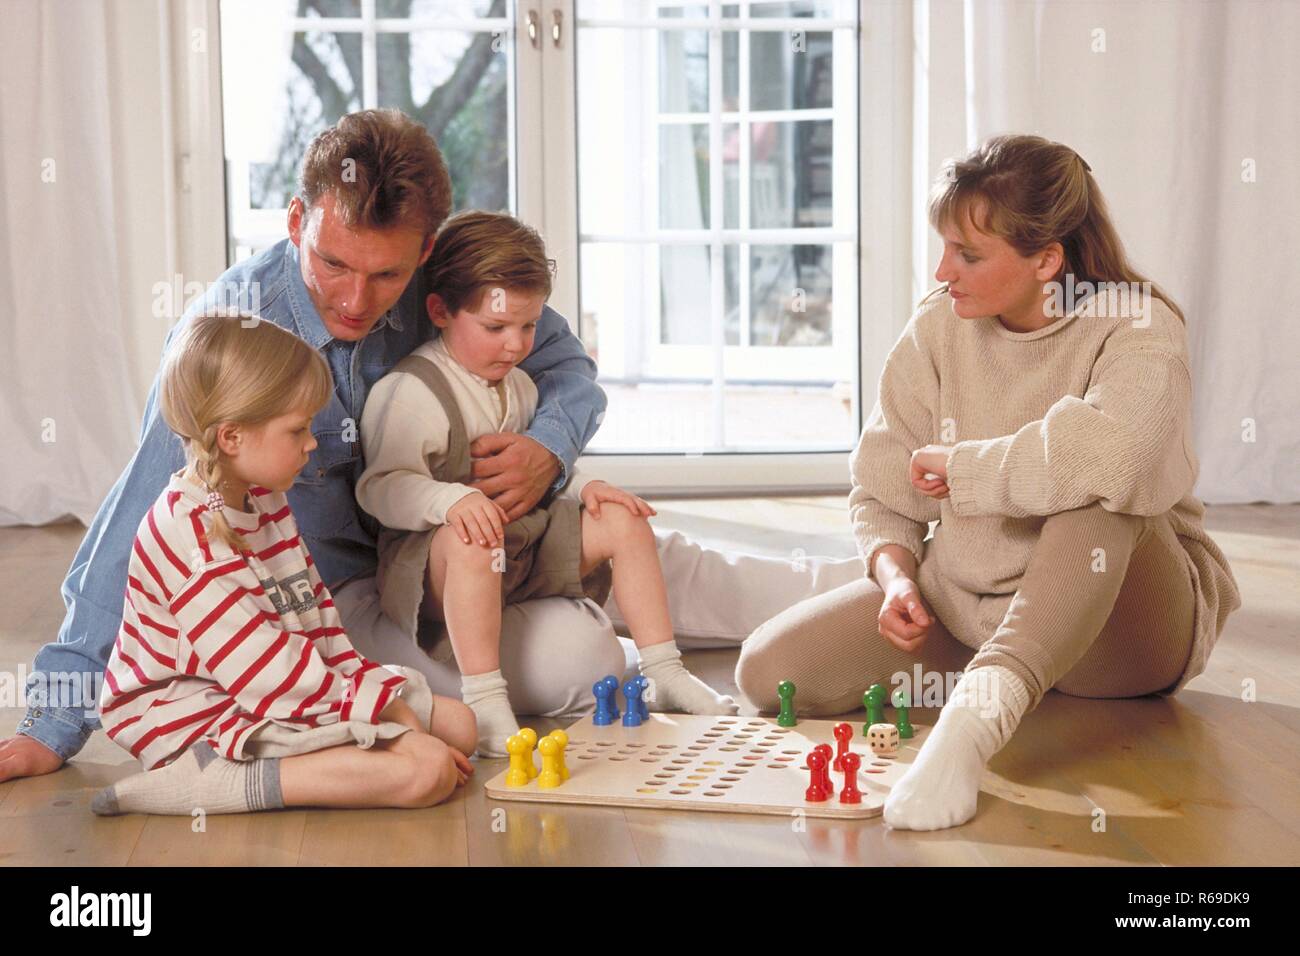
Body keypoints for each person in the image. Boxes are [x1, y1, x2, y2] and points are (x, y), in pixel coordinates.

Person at [0, 108, 619, 784]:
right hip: (337, 601)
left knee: (639, 542)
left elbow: (567, 367)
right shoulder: (232, 328)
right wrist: (55, 721)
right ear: (296, 221)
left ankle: (729, 620)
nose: (356, 300)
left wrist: (550, 449)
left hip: (449, 550)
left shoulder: (440, 287)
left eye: (387, 275)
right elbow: (138, 519)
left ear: (426, 250)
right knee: (580, 663)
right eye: (332, 263)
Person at [734, 134, 1242, 831]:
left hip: (1123, 637)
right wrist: (897, 576)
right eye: (944, 246)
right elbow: (885, 489)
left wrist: (965, 469)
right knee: (768, 671)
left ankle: (977, 722)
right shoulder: (938, 326)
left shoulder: (1137, 325)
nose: (944, 271)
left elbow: (1114, 459)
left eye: (969, 255)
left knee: (1098, 487)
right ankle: (1008, 670)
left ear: (1047, 260)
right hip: (974, 609)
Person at [355, 211, 737, 756]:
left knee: (622, 519)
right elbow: (380, 488)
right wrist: (450, 499)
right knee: (472, 541)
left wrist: (583, 489)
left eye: (528, 326)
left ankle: (664, 670)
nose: (515, 344)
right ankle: (486, 702)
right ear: (440, 310)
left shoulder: (519, 385)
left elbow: (542, 473)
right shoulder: (411, 392)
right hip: (440, 566)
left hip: (519, 544)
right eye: (496, 328)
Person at [91, 314, 477, 816]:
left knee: (461, 726)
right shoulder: (189, 535)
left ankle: (326, 753)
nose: (313, 443)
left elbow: (320, 628)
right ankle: (201, 782)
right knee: (424, 770)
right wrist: (379, 717)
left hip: (268, 688)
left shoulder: (264, 498)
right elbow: (267, 675)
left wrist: (380, 703)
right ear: (231, 437)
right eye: (298, 429)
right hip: (188, 714)